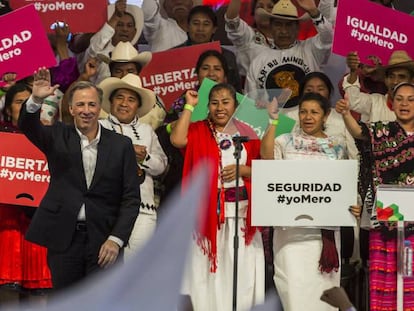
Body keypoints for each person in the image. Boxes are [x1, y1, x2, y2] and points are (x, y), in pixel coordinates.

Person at [17, 68, 142, 290]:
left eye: (92, 104)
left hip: (104, 241)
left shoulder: (121, 145)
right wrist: (35, 99)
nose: (86, 110)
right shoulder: (56, 135)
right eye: (81, 105)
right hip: (64, 239)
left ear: (99, 108)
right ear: (71, 109)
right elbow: (28, 126)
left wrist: (116, 239)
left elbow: (131, 198)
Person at [260, 92, 360, 311]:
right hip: (290, 232)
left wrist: (351, 205)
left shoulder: (337, 146)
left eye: (314, 112)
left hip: (324, 235)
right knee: (293, 291)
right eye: (303, 111)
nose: (308, 116)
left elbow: (343, 183)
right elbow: (266, 159)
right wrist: (272, 121)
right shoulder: (284, 141)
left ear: (325, 116)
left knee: (323, 296)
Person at [170, 83, 264, 310]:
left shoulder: (249, 134)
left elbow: (266, 170)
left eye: (225, 102)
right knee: (207, 276)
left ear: (235, 105)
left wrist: (244, 170)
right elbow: (177, 140)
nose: (219, 107)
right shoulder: (198, 129)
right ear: (207, 106)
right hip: (207, 217)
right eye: (214, 102)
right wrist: (190, 107)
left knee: (240, 275)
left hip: (241, 215)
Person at [336, 82, 414, 310]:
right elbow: (360, 133)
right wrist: (344, 113)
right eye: (399, 99)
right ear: (392, 102)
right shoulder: (382, 131)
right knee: (386, 277)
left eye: (410, 99)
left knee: (410, 276)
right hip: (386, 218)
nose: (404, 104)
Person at [98, 73, 167, 260]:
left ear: (137, 106)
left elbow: (161, 166)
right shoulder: (98, 127)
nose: (124, 103)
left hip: (142, 210)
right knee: (104, 265)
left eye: (131, 99)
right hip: (105, 208)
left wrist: (145, 158)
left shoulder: (147, 131)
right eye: (119, 97)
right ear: (111, 102)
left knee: (137, 266)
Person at [0, 83, 52, 306]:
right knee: (7, 294)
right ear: (8, 108)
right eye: (19, 101)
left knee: (37, 298)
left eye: (29, 101)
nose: (24, 106)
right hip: (6, 222)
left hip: (39, 221)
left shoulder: (50, 136)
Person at [244, 0, 333, 107]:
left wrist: (314, 12)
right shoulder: (258, 60)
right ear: (270, 26)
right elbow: (250, 103)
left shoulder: (310, 48)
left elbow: (328, 37)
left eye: (289, 25)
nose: (284, 31)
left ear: (297, 28)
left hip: (307, 119)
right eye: (278, 25)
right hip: (272, 121)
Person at [174, 5, 242, 92]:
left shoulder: (227, 56)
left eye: (206, 24)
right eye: (196, 23)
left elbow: (236, 92)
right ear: (187, 27)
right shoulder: (173, 55)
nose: (200, 29)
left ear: (214, 29)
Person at [76, 0, 144, 84]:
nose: (125, 29)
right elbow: (94, 50)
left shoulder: (139, 59)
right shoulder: (101, 55)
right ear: (113, 28)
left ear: (134, 32)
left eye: (129, 26)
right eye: (119, 24)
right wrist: (115, 17)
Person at [342, 50, 414, 123]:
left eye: (401, 77)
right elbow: (353, 101)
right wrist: (353, 71)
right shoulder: (375, 102)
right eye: (391, 76)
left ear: (412, 80)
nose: (395, 81)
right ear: (385, 79)